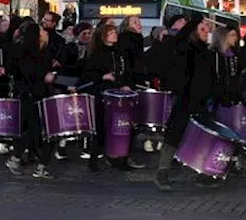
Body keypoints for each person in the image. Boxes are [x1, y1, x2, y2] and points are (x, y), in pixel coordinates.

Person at [155, 16, 215, 191]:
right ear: (194, 32)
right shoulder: (186, 48)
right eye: (203, 29)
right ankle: (162, 172)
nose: (207, 32)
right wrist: (194, 21)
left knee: (203, 136)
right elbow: (180, 38)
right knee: (174, 135)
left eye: (208, 30)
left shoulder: (207, 51)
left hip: (202, 100)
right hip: (186, 98)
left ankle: (203, 173)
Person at [82, 23, 143, 171]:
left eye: (115, 32)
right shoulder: (97, 53)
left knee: (122, 125)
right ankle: (94, 160)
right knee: (102, 127)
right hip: (103, 93)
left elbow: (124, 71)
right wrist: (103, 77)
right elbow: (87, 74)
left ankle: (120, 158)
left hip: (118, 93)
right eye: (111, 33)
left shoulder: (118, 52)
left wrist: (125, 84)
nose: (115, 34)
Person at [6, 22, 56, 179]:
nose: (44, 32)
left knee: (40, 130)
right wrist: (45, 76)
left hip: (37, 94)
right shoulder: (27, 52)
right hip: (32, 95)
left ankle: (27, 160)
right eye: (41, 30)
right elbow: (31, 73)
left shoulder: (41, 50)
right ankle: (20, 158)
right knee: (37, 129)